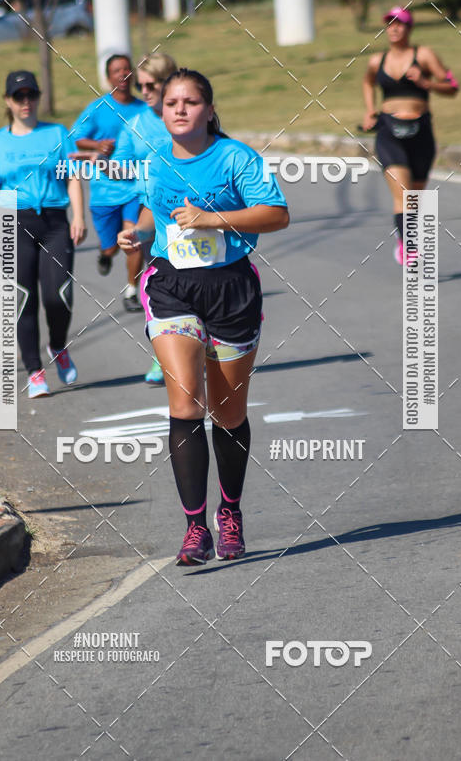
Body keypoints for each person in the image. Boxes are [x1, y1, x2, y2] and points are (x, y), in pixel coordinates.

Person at [118, 69, 289, 565]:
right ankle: (195, 528)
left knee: (228, 414)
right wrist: (139, 234)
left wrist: (214, 218)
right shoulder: (154, 161)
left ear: (209, 110)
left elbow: (276, 214)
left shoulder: (236, 158)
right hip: (172, 285)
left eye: (190, 102)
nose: (179, 109)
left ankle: (229, 512)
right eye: (171, 102)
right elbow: (157, 212)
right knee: (186, 404)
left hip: (232, 287)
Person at [0, 70, 86, 398]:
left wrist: (79, 216)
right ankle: (35, 372)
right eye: (19, 96)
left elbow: (73, 176)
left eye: (32, 94)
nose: (26, 101)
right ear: (8, 101)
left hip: (56, 221)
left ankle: (58, 346)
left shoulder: (58, 134)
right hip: (11, 220)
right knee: (23, 298)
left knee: (58, 295)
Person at [362, 6, 459, 263]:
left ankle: (404, 237)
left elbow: (452, 86)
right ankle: (409, 245)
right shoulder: (377, 60)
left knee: (415, 197)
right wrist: (370, 111)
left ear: (409, 27)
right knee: (404, 193)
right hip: (388, 132)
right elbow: (367, 82)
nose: (394, 28)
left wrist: (427, 84)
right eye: (389, 23)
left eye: (400, 23)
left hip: (421, 133)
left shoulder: (424, 55)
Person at [72, 54, 145, 311]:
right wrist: (97, 145)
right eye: (117, 70)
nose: (123, 74)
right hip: (104, 190)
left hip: (135, 187)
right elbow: (75, 137)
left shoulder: (144, 109)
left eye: (127, 69)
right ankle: (105, 255)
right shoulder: (97, 108)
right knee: (113, 247)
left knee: (133, 238)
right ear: (108, 77)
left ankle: (131, 292)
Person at [122, 52, 178, 385]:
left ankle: (205, 344)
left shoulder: (187, 115)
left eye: (150, 84)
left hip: (190, 211)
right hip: (150, 210)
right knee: (154, 286)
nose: (144, 91)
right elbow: (120, 165)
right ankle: (163, 354)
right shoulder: (136, 124)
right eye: (140, 85)